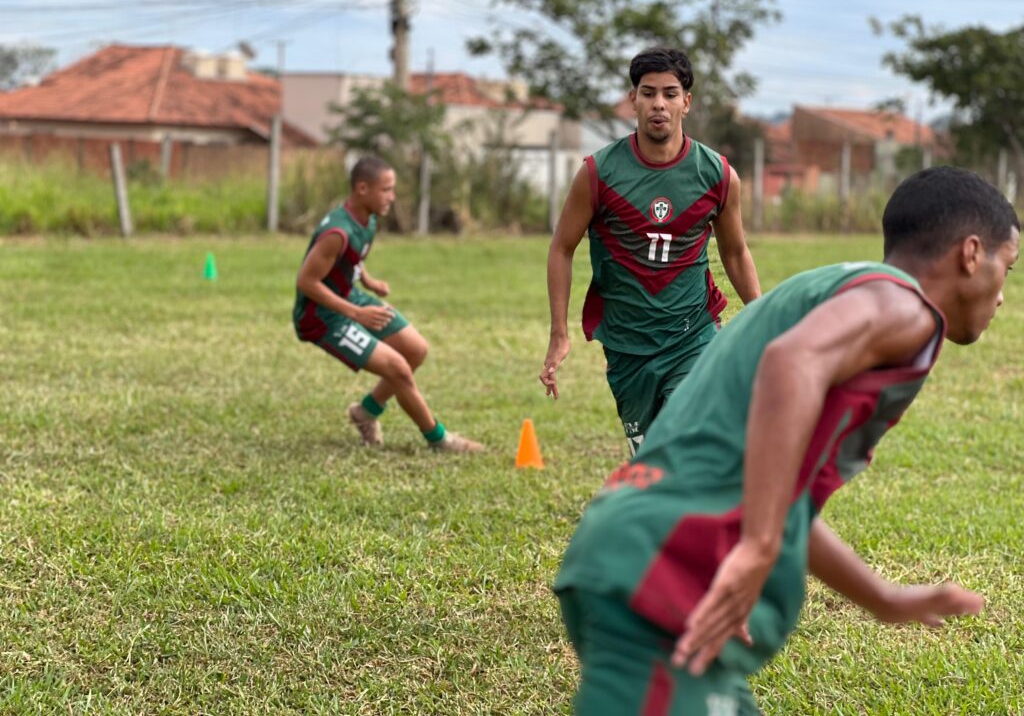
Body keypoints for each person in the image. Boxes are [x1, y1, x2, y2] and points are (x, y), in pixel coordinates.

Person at [553, 166, 1018, 714]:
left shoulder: (836, 290)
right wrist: (759, 546)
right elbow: (791, 362)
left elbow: (780, 495)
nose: (1004, 295)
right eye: (1007, 267)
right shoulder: (903, 307)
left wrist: (882, 598)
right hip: (661, 571)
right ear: (970, 254)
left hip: (643, 559)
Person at [540, 46, 762, 455]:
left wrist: (764, 314)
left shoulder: (717, 175)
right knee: (653, 461)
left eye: (670, 93)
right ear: (633, 100)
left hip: (693, 333)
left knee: (692, 434)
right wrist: (559, 334)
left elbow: (735, 252)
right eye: (648, 92)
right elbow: (562, 249)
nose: (659, 103)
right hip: (627, 344)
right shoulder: (598, 173)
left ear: (686, 103)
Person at [293, 155, 483, 454]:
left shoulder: (366, 219)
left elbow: (349, 259)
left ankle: (365, 412)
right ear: (362, 188)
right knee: (398, 368)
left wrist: (368, 282)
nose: (392, 198)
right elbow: (306, 281)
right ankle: (441, 440)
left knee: (415, 350)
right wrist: (357, 313)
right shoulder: (336, 233)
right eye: (386, 190)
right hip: (323, 315)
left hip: (349, 297)